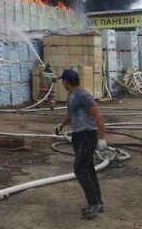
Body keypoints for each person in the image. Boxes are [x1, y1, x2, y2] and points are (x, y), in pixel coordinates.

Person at [54, 69, 107, 219]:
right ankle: (98, 202)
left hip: (86, 136)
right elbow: (71, 113)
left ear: (66, 82)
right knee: (88, 169)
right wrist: (61, 125)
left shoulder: (84, 96)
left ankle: (94, 204)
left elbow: (99, 117)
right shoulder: (71, 95)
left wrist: (102, 139)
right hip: (78, 136)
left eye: (62, 81)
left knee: (80, 169)